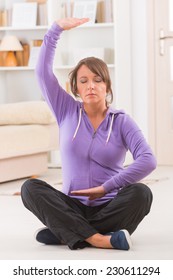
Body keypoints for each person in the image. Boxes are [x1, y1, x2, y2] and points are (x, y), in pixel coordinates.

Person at [21, 18, 157, 251]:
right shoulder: (66, 110)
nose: (91, 86)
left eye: (97, 80)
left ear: (107, 86)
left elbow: (148, 160)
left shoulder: (122, 122)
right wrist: (56, 30)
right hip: (70, 204)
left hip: (109, 205)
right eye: (83, 81)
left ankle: (67, 231)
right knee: (29, 188)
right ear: (76, 88)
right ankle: (100, 238)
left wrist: (106, 188)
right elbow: (43, 74)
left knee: (142, 194)